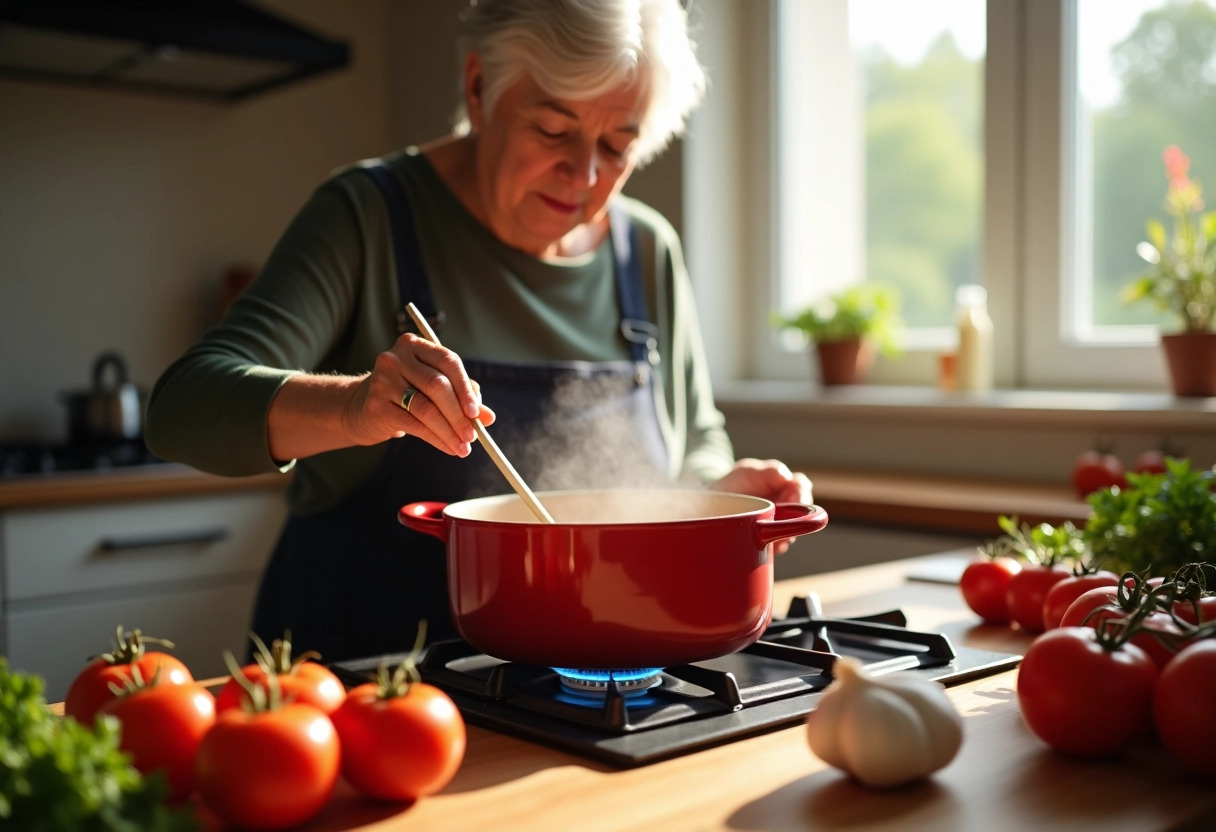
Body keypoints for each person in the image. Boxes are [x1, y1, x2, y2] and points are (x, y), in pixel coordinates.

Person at [145, 0, 813, 664]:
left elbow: (692, 440)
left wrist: (717, 495)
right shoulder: (369, 214)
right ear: (479, 86)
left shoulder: (646, 250)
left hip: (580, 681)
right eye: (554, 130)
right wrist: (355, 407)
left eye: (616, 147)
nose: (583, 178)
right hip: (367, 691)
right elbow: (183, 406)